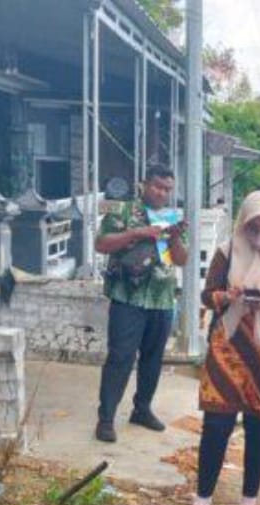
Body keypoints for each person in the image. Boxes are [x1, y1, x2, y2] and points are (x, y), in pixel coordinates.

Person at [184, 191, 260, 505]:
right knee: (216, 424)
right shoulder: (227, 251)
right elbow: (208, 296)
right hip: (229, 347)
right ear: (242, 223)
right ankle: (203, 496)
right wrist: (229, 296)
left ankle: (248, 502)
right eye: (253, 226)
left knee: (259, 426)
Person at [93, 165, 186, 442]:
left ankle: (142, 409)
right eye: (157, 186)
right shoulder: (123, 212)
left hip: (161, 298)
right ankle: (106, 418)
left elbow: (181, 259)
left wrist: (176, 237)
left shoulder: (172, 218)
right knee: (120, 357)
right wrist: (138, 233)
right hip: (127, 298)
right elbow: (102, 244)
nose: (161, 192)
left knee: (153, 360)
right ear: (144, 185)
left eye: (167, 189)